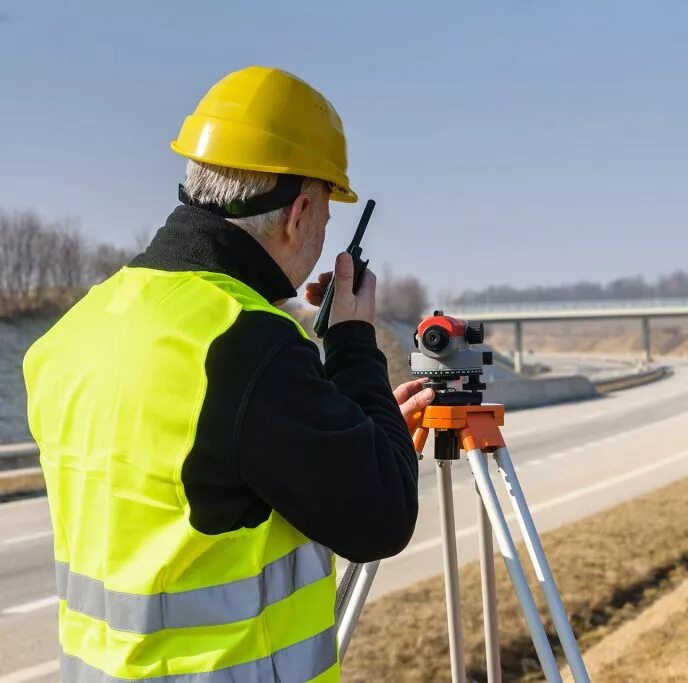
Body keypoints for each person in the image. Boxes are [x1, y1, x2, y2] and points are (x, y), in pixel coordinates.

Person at [23, 65, 433, 681]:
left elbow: (200, 487)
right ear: (299, 212)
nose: (322, 236)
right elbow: (380, 516)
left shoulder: (76, 330)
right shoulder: (248, 345)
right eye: (325, 216)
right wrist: (351, 342)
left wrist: (345, 436)